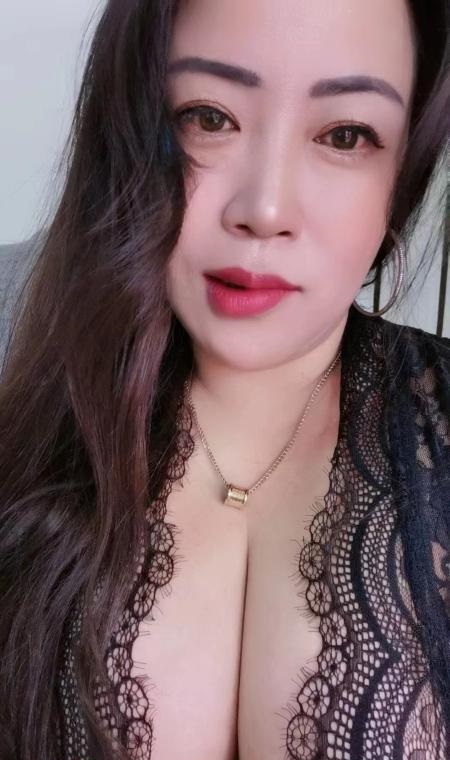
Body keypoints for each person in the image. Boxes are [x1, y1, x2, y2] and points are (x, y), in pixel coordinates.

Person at [0, 0, 448, 758]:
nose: (264, 210)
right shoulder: (22, 384)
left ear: (403, 172)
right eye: (209, 118)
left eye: (345, 135)